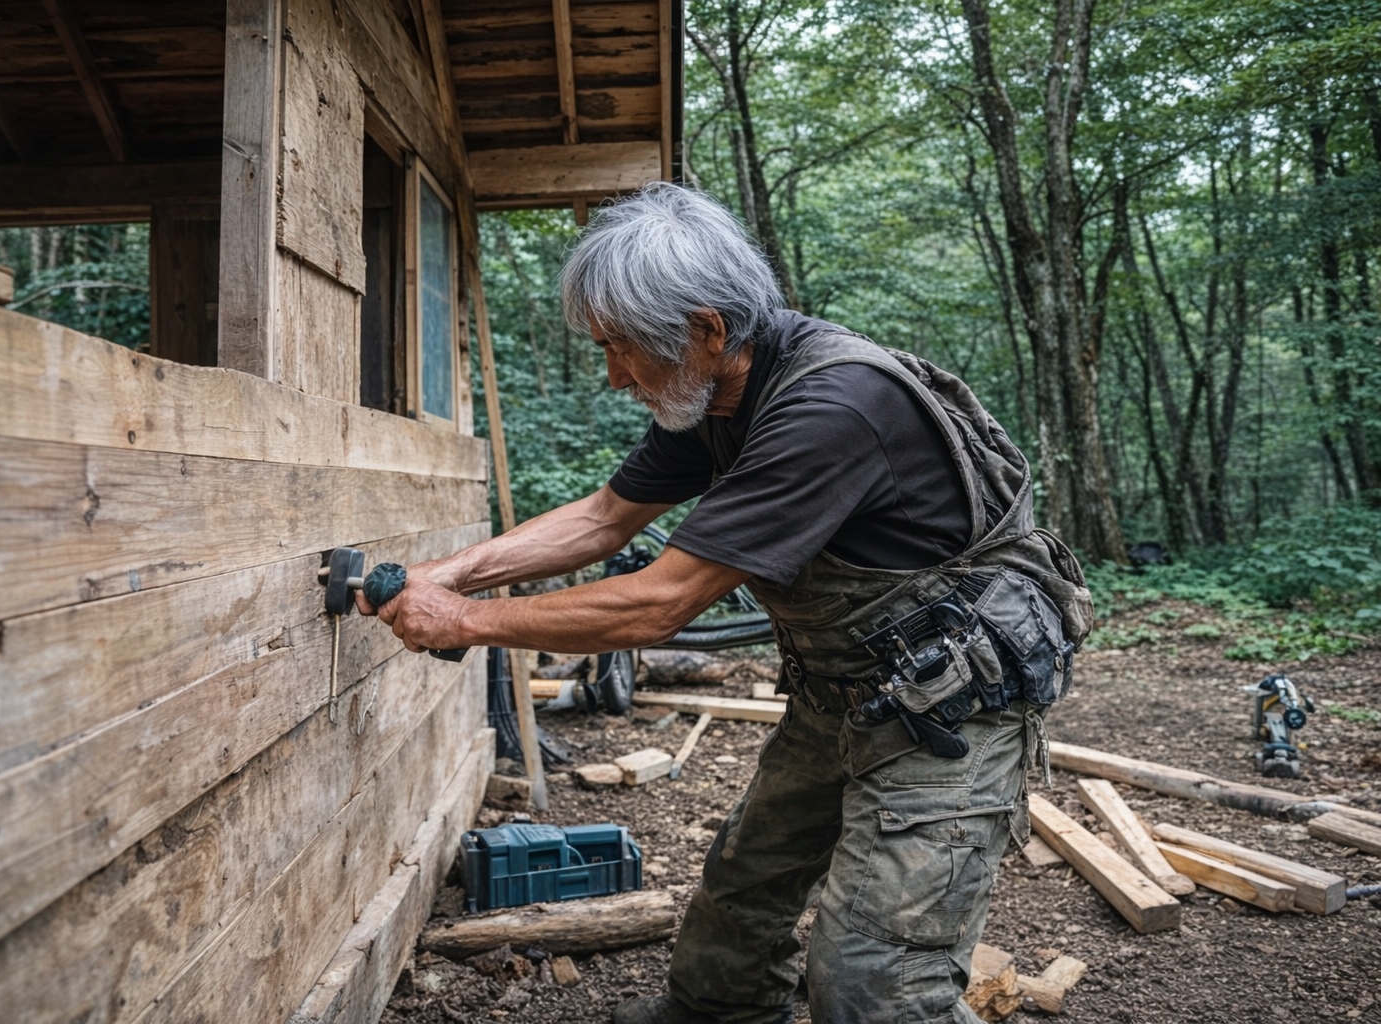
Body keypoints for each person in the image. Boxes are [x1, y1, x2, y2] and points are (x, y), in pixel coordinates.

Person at [357, 183, 1092, 1024]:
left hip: (950, 708)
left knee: (874, 986)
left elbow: (658, 604)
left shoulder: (831, 408)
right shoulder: (709, 393)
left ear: (706, 329)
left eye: (622, 349)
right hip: (847, 686)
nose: (613, 376)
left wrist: (465, 622)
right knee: (746, 884)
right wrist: (447, 574)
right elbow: (602, 520)